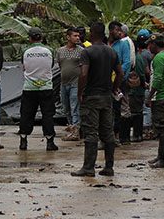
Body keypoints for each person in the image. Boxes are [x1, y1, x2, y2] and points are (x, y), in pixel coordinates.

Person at [71, 22, 122, 177]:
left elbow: (84, 74)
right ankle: (109, 166)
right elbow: (120, 73)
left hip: (92, 96)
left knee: (91, 132)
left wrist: (80, 92)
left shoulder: (87, 52)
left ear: (92, 33)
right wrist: (114, 88)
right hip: (106, 97)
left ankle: (88, 167)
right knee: (108, 132)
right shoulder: (111, 52)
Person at [18, 27, 57, 151]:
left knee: (26, 114)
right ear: (41, 37)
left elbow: (24, 66)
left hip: (29, 88)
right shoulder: (50, 50)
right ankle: (50, 142)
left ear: (30, 38)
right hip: (46, 88)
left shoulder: (25, 51)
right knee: (48, 115)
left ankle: (23, 140)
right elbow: (50, 66)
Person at [146, 34, 164, 168]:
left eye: (149, 45)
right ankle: (161, 155)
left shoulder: (158, 58)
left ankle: (163, 159)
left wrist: (149, 96)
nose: (148, 47)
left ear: (154, 44)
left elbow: (157, 79)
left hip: (160, 97)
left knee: (162, 129)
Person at [56, 28, 85, 133]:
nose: (78, 38)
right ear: (68, 37)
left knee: (75, 107)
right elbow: (60, 65)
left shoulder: (81, 51)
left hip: (75, 83)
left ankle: (76, 129)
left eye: (78, 36)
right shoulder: (60, 51)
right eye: (75, 36)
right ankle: (71, 125)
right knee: (66, 107)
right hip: (63, 83)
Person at [109, 21, 131, 143]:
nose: (119, 32)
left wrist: (118, 75)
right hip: (105, 81)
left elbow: (127, 62)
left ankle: (116, 135)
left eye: (120, 30)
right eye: (117, 30)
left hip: (118, 81)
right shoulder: (106, 45)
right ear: (111, 30)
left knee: (118, 108)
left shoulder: (123, 45)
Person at [128, 35, 149, 142]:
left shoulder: (136, 59)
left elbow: (141, 74)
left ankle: (137, 134)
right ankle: (138, 134)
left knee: (136, 112)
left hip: (136, 90)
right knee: (138, 112)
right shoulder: (139, 57)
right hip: (139, 89)